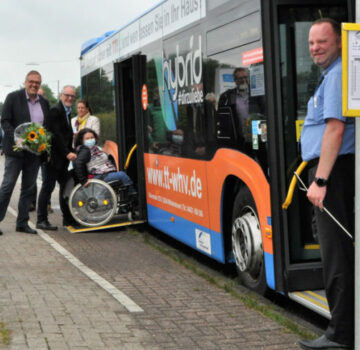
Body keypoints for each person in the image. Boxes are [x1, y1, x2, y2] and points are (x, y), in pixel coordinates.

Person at [298, 18, 355, 350]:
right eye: (311, 43)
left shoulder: (337, 77)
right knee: (338, 252)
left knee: (336, 256)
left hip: (331, 173)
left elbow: (335, 129)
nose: (315, 48)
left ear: (338, 43)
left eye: (322, 42)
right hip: (331, 170)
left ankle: (340, 336)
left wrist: (320, 179)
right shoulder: (330, 76)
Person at [0, 71, 50, 235]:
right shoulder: (13, 97)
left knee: (28, 189)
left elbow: (46, 128)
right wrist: (16, 138)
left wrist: (45, 147)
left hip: (34, 154)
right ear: (25, 82)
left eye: (37, 82)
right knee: (7, 186)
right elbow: (5, 120)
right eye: (31, 81)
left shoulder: (44, 102)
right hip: (15, 152)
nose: (34, 84)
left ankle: (22, 222)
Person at [36, 85, 77, 230]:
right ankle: (41, 220)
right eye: (67, 95)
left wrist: (72, 150)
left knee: (66, 186)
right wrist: (67, 152)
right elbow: (56, 135)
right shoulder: (55, 110)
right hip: (53, 158)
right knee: (48, 187)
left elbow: (67, 135)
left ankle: (67, 219)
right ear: (61, 95)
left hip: (62, 159)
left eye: (72, 96)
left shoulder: (67, 111)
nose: (70, 98)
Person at [73, 128, 136, 198]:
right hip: (99, 176)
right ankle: (133, 196)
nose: (90, 140)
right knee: (122, 175)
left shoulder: (96, 148)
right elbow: (78, 163)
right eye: (87, 139)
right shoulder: (84, 150)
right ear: (81, 140)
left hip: (105, 174)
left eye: (92, 137)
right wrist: (83, 181)